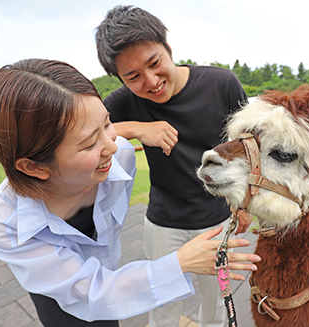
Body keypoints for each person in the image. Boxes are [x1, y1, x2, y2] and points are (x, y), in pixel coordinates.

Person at [0, 59, 259, 327]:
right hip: (62, 292)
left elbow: (111, 291)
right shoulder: (10, 225)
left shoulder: (119, 159)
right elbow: (89, 292)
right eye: (89, 144)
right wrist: (180, 262)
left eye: (107, 124)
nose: (111, 146)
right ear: (33, 166)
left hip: (111, 275)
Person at [95, 6, 253, 327]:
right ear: (120, 78)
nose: (151, 81)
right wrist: (139, 128)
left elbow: (248, 146)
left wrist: (245, 202)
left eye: (154, 63)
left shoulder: (222, 84)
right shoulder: (125, 101)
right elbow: (86, 131)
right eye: (133, 76)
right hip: (163, 223)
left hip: (217, 220)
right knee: (163, 307)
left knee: (218, 304)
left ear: (168, 48)